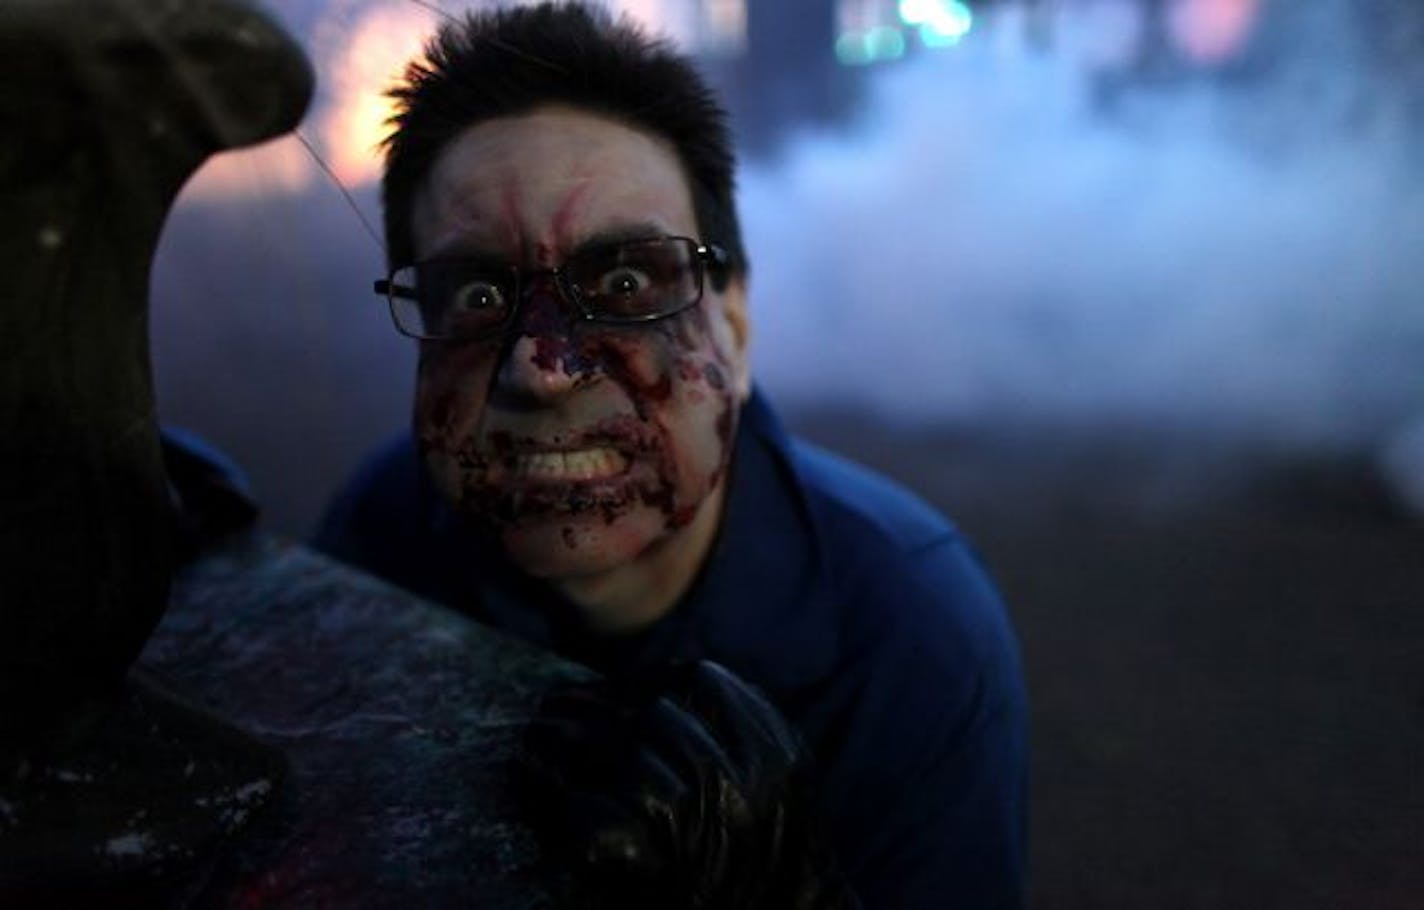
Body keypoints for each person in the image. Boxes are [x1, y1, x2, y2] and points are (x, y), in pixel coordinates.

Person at [314, 3, 1028, 906]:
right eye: (479, 290)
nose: (541, 369)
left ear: (733, 323)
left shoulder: (909, 635)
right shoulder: (387, 527)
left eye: (623, 282)